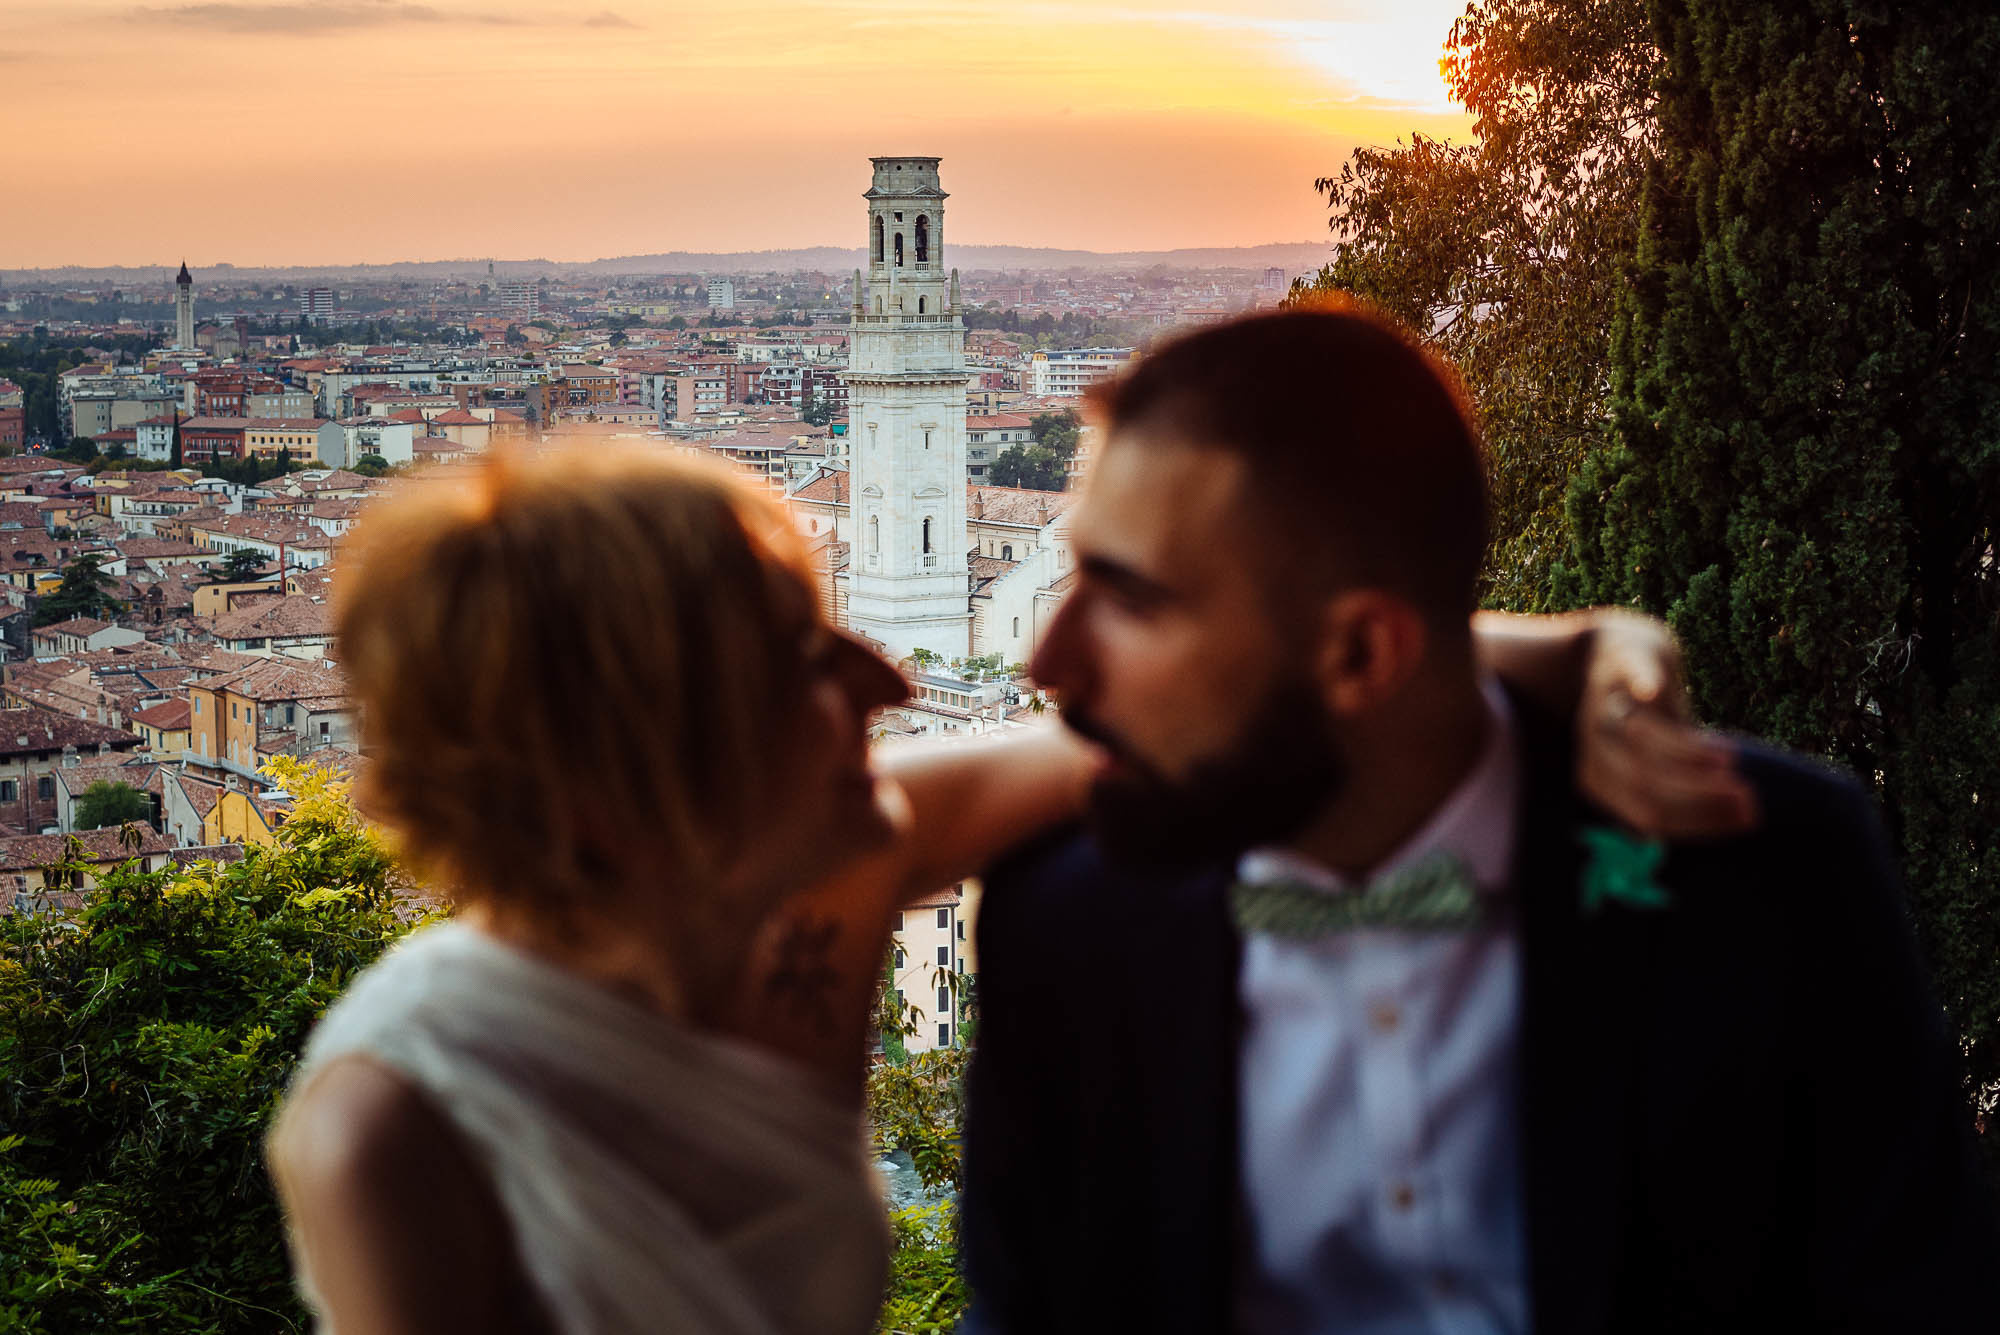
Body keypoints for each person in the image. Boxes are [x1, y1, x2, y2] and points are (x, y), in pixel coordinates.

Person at [268, 445, 1737, 1334]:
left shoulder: (832, 881)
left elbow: (1207, 719)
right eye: (800, 664)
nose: (888, 678)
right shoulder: (390, 1127)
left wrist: (1584, 653)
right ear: (626, 778)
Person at [959, 305, 1998, 1334]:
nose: (1045, 664)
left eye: (1127, 598)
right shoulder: (1059, 921)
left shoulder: (1759, 871)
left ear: (1361, 657)